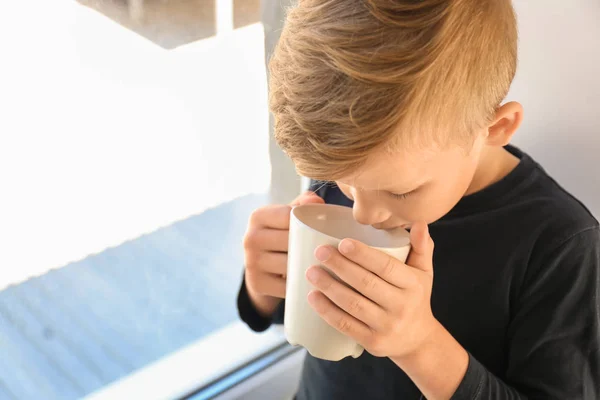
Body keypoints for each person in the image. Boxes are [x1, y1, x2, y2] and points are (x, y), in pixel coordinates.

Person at [238, 0, 600, 398]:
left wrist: (420, 346)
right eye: (342, 182)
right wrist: (264, 288)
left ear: (495, 128)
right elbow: (304, 313)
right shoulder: (354, 156)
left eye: (401, 191)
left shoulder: (560, 247)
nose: (363, 212)